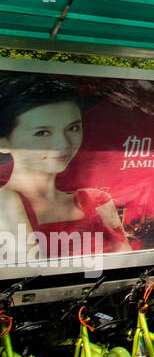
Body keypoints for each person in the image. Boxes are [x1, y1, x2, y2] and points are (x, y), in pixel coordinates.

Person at [0, 75, 129, 257]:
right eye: (42, 132)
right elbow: (30, 276)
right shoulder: (4, 201)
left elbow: (126, 265)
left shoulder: (96, 200)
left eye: (73, 128)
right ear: (4, 142)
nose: (63, 143)